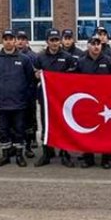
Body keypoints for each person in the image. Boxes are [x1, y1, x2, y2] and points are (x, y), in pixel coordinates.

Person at [0, 29, 36, 167]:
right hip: (2, 103)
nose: (8, 41)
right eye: (5, 39)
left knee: (19, 129)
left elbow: (30, 79)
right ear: (2, 41)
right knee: (3, 129)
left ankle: (20, 155)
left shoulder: (24, 59)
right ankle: (5, 155)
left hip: (19, 103)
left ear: (15, 40)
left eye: (11, 38)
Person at [75, 32, 111, 168]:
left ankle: (105, 159)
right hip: (87, 102)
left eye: (98, 44)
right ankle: (88, 159)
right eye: (93, 44)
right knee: (88, 131)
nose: (96, 47)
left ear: (101, 45)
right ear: (88, 46)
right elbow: (73, 81)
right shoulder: (81, 61)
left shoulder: (109, 61)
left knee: (105, 132)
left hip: (105, 103)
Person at [34, 28, 77, 167]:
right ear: (47, 41)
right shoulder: (39, 57)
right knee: (46, 124)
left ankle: (65, 154)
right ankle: (47, 153)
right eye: (52, 40)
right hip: (46, 99)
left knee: (63, 125)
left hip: (63, 99)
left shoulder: (67, 57)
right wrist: (37, 75)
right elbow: (34, 75)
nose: (54, 43)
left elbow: (73, 77)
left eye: (57, 40)